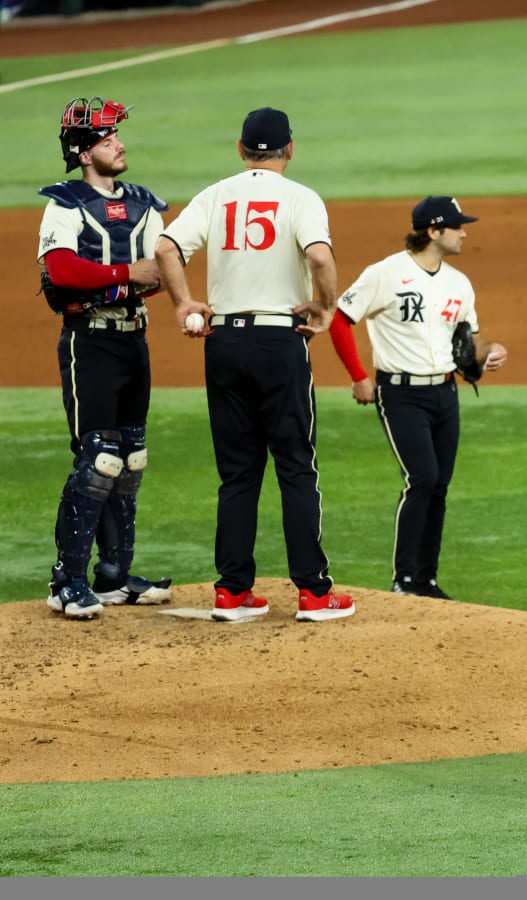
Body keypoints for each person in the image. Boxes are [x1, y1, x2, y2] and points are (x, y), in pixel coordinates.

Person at [153, 107, 354, 623]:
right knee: (294, 466)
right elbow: (320, 258)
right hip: (278, 343)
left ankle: (233, 591)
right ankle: (312, 593)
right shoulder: (300, 197)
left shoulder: (216, 194)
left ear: (241, 150)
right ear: (290, 149)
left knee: (238, 473)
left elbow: (166, 246)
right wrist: (326, 307)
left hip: (223, 343)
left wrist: (183, 302)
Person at [328, 196, 508, 600]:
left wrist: (490, 351)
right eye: (458, 225)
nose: (464, 232)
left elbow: (469, 342)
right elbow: (340, 320)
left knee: (439, 485)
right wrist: (359, 377)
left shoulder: (459, 283)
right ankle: (403, 579)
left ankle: (426, 580)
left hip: (445, 392)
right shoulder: (386, 274)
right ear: (433, 231)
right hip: (400, 394)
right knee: (422, 478)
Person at [37, 96, 174, 620]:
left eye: (116, 135)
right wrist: (125, 277)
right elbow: (62, 271)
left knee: (131, 460)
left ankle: (113, 577)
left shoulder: (143, 203)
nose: (118, 143)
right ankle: (66, 580)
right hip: (88, 342)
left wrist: (136, 284)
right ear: (84, 152)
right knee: (98, 459)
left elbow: (162, 268)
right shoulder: (64, 204)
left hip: (133, 340)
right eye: (106, 138)